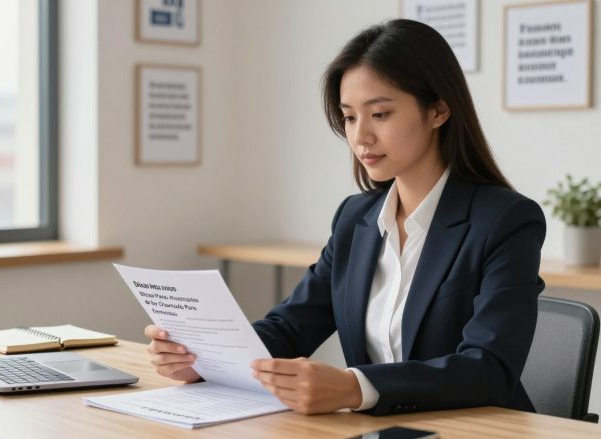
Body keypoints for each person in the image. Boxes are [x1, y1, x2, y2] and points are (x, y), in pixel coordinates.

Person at [143, 19, 546, 416]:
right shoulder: (356, 219)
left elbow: (489, 368)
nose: (360, 137)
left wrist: (356, 387)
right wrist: (201, 357)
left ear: (438, 110)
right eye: (350, 117)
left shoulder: (506, 220)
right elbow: (291, 327)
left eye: (381, 114)